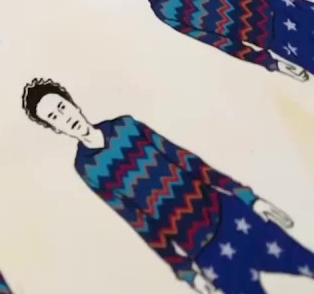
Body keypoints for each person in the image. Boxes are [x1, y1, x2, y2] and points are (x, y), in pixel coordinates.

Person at [22, 78, 314, 294]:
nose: (65, 117)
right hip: (203, 251)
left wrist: (249, 198)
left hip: (230, 216)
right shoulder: (87, 169)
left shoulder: (126, 127)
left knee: (306, 263)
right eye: (54, 117)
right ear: (53, 128)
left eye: (62, 107)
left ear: (72, 102)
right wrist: (185, 272)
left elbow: (188, 161)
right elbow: (138, 221)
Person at [79, 0, 313, 81]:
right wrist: (270, 63)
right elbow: (218, 41)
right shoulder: (163, 12)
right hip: (270, 38)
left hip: (274, 4)